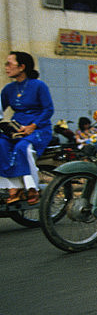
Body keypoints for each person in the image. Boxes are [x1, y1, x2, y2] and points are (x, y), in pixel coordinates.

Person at [0, 51, 53, 204]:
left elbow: (48, 109)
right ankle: (13, 187)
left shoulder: (39, 86)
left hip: (39, 128)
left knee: (23, 148)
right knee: (1, 145)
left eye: (9, 64)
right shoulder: (8, 89)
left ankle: (32, 188)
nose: (6, 67)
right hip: (16, 129)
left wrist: (33, 126)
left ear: (22, 67)